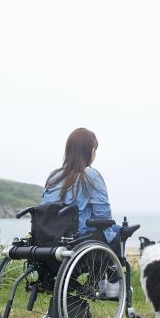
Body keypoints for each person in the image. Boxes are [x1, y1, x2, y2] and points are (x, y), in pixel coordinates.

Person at [42, 127, 121, 298]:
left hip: (48, 239)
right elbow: (103, 216)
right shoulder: (90, 175)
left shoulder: (54, 176)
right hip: (76, 241)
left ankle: (92, 284)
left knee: (113, 231)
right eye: (95, 150)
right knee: (117, 235)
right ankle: (105, 283)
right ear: (90, 151)